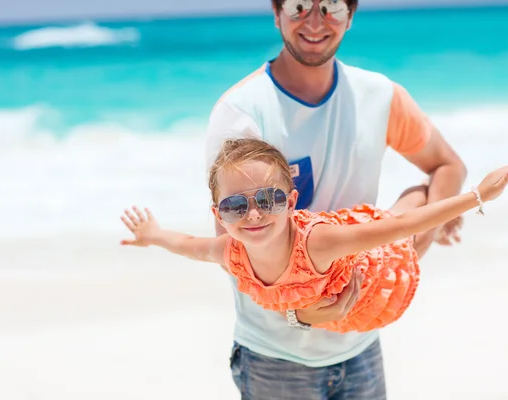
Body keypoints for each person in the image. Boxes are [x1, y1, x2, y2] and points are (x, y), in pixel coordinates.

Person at [201, 0, 469, 398]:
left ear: (351, 16)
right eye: (298, 7)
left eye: (331, 8)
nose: (314, 22)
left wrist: (411, 245)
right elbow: (232, 249)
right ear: (276, 15)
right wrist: (298, 313)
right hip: (278, 359)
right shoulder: (242, 112)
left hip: (361, 343)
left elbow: (448, 167)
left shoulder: (379, 95)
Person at [119, 138, 508, 337]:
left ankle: (426, 183)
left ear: (292, 201)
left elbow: (400, 230)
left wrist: (478, 196)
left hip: (377, 266)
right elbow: (190, 246)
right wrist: (153, 235)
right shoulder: (230, 251)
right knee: (403, 221)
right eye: (235, 207)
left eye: (269, 199)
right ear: (219, 216)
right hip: (338, 310)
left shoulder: (318, 243)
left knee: (410, 228)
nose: (254, 214)